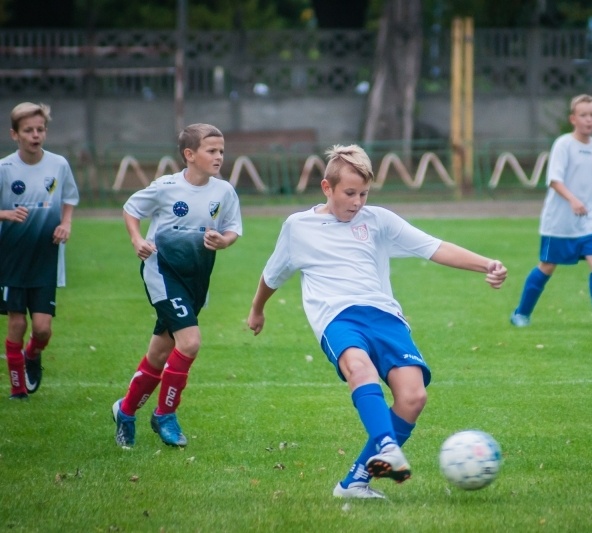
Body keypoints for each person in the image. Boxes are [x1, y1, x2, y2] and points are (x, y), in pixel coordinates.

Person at [247, 144, 508, 499]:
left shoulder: (378, 220)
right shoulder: (298, 227)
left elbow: (433, 247)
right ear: (327, 187)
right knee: (359, 368)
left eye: (364, 194)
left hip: (385, 317)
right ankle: (387, 445)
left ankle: (354, 483)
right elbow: (272, 275)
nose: (357, 202)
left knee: (413, 397)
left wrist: (487, 264)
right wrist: (257, 309)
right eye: (349, 193)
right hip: (338, 317)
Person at [112, 123, 243, 447]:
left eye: (221, 151)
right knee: (190, 342)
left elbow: (232, 229)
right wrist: (137, 239)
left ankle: (125, 411)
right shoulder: (166, 187)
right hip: (163, 273)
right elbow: (131, 209)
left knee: (159, 353)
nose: (219, 156)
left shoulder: (224, 191)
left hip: (196, 279)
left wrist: (223, 241)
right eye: (211, 150)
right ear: (190, 154)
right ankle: (165, 414)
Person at [510, 94, 592, 329]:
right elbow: (554, 180)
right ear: (573, 119)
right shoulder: (563, 144)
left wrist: (584, 204)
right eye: (583, 115)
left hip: (588, 220)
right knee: (547, 266)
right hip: (559, 221)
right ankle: (521, 313)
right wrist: (573, 200)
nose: (589, 119)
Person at [0, 102, 79, 400]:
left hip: (46, 256)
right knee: (17, 322)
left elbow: (69, 198)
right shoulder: (5, 168)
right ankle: (18, 389)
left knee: (43, 328)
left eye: (40, 129)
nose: (35, 135)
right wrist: (6, 214)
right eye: (28, 130)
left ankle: (32, 354)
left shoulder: (58, 164)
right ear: (15, 134)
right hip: (12, 257)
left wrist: (66, 223)